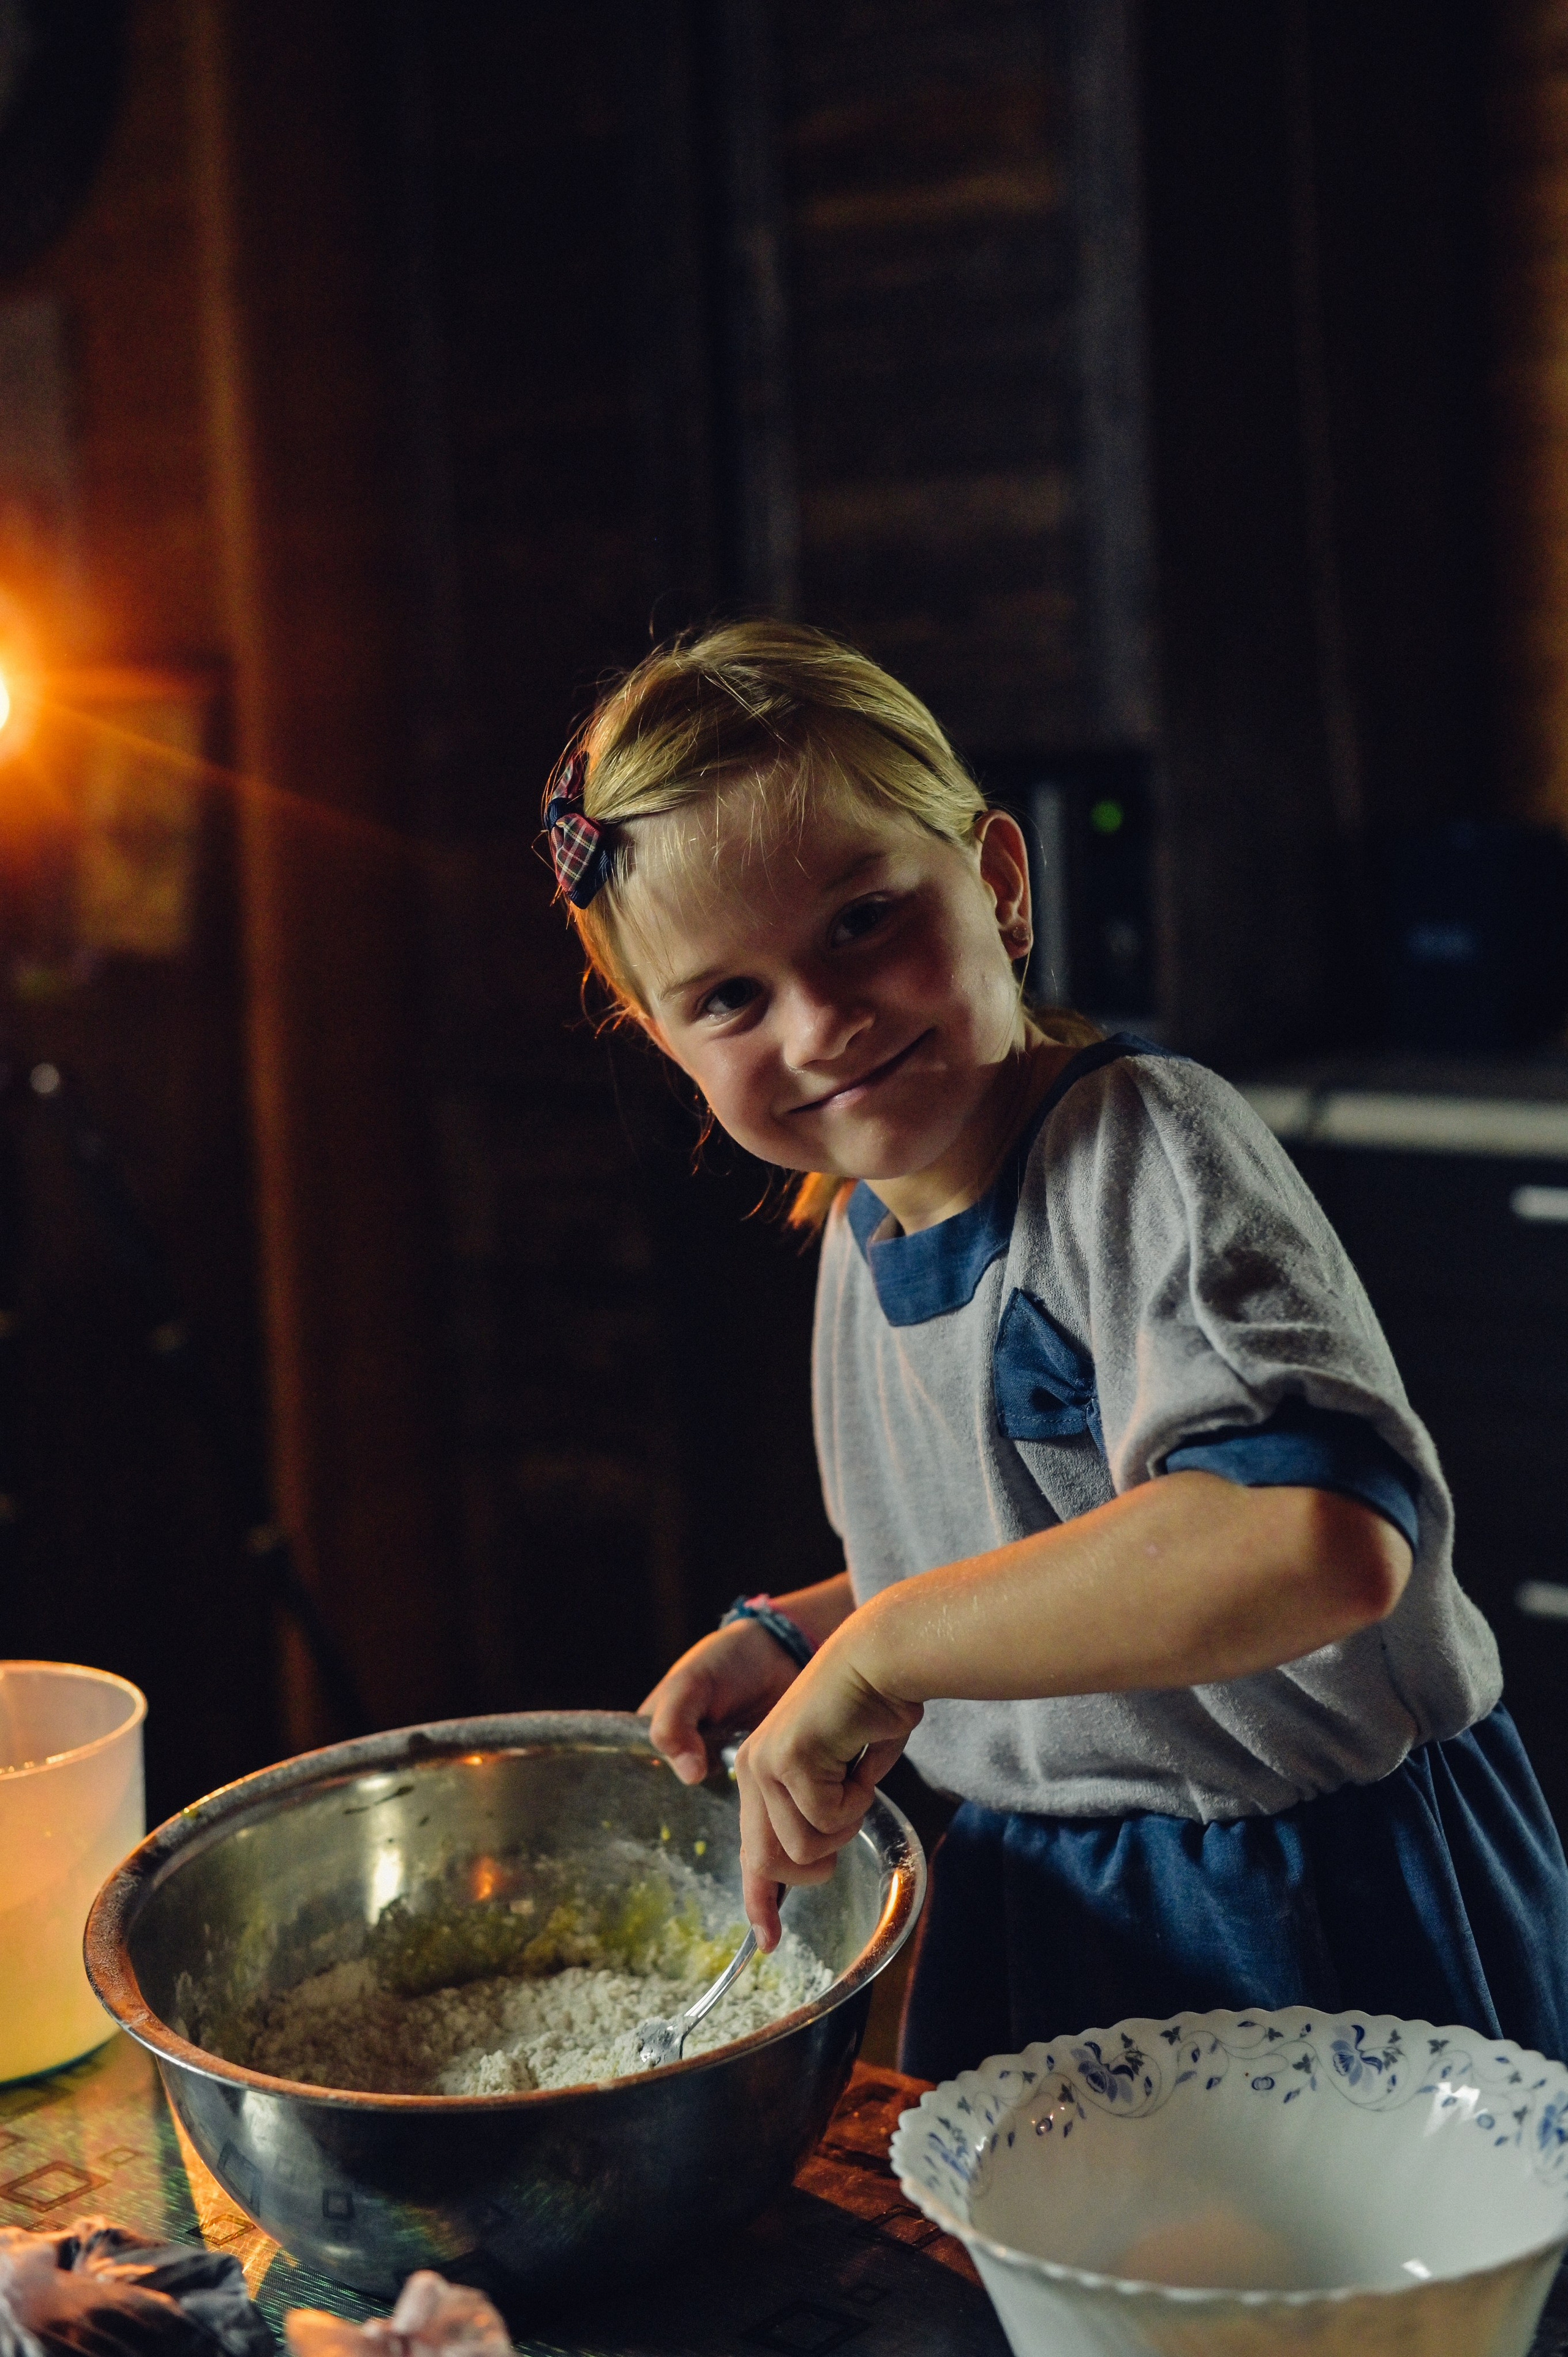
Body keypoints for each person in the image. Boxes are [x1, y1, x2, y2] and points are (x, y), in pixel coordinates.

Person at [543, 618, 1568, 2080]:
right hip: (1048, 1905)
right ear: (667, 1048)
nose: (823, 1022)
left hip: (1307, 1903)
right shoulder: (857, 1235)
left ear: (998, 884)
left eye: (861, 920)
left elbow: (1314, 1540)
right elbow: (1040, 1536)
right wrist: (810, 1634)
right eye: (730, 998)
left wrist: (887, 1648)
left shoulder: (1139, 1153)